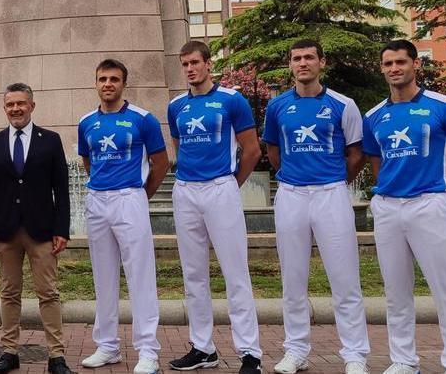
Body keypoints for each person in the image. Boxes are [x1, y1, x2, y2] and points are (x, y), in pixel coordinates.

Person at [363, 40, 446, 374]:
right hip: (388, 209)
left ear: (415, 65)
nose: (394, 69)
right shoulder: (374, 116)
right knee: (396, 293)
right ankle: (404, 361)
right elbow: (377, 164)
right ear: (382, 69)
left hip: (431, 203)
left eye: (400, 62)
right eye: (387, 64)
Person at [263, 40, 370, 374]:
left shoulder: (343, 104)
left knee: (345, 278)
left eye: (309, 57)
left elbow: (356, 154)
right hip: (291, 194)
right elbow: (273, 150)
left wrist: (335, 180)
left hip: (331, 194)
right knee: (293, 279)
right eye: (296, 58)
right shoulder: (277, 106)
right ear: (290, 65)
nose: (303, 63)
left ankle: (355, 355)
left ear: (321, 62)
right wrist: (293, 178)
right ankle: (296, 351)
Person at [165, 41, 263, 374]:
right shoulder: (175, 106)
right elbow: (180, 149)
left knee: (236, 273)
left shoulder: (232, 100)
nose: (190, 69)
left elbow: (251, 151)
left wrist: (230, 186)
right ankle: (203, 348)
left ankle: (250, 352)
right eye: (184, 64)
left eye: (195, 62)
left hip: (221, 187)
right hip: (186, 192)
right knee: (193, 275)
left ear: (209, 64)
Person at [77, 61, 168, 374]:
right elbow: (88, 160)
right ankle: (107, 345)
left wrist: (140, 195)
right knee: (103, 277)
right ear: (96, 83)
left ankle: (148, 350)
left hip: (130, 198)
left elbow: (161, 163)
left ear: (123, 84)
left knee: (140, 276)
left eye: (114, 79)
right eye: (102, 78)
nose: (108, 84)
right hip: (97, 201)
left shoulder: (143, 119)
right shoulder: (86, 121)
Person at [0, 83, 72, 374]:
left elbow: (62, 189)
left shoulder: (51, 140)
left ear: (32, 106)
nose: (16, 109)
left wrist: (62, 229)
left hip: (42, 230)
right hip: (6, 231)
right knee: (9, 293)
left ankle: (56, 356)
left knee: (49, 293)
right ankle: (9, 352)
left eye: (21, 104)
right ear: (4, 108)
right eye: (10, 105)